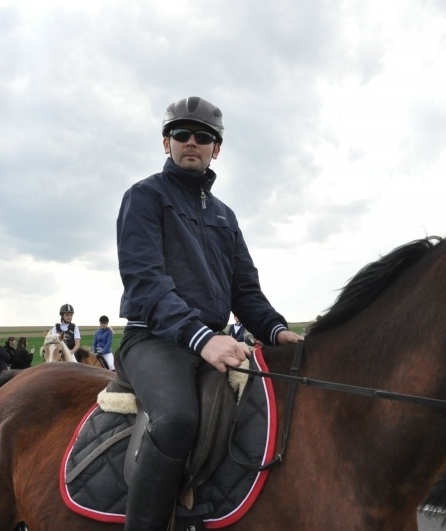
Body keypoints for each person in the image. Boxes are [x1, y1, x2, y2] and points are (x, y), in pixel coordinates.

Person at [115, 96, 302, 529]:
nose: (191, 142)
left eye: (203, 136)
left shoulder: (225, 217)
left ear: (216, 149)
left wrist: (277, 331)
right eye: (181, 134)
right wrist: (201, 338)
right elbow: (146, 282)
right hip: (154, 339)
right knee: (176, 418)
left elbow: (245, 291)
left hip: (212, 341)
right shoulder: (144, 197)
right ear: (166, 142)